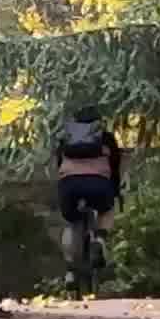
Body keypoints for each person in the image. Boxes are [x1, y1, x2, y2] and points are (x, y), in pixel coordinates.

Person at [52, 106, 126, 284]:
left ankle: (70, 271)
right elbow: (115, 167)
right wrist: (115, 192)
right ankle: (99, 239)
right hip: (99, 184)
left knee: (71, 223)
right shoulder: (106, 138)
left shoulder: (66, 138)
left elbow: (59, 164)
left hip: (70, 185)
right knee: (106, 211)